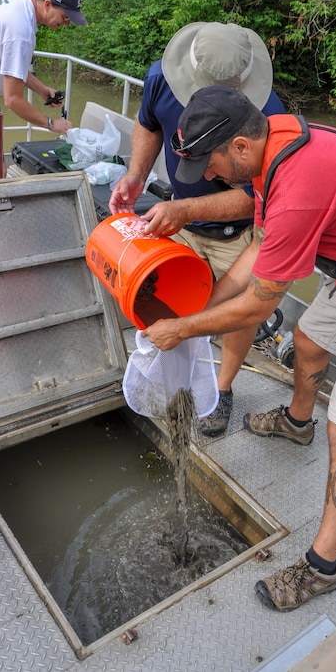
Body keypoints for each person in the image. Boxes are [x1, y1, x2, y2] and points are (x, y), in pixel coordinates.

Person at [142, 84, 336, 611]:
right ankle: (296, 422)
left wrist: (182, 331)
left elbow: (259, 306)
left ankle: (323, 567)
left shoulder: (300, 183)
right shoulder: (275, 142)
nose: (212, 175)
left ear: (240, 146)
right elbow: (258, 250)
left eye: (213, 163)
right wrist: (193, 312)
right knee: (308, 339)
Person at [109, 22, 285, 437]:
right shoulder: (161, 78)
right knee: (166, 294)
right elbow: (148, 123)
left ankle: (221, 390)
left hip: (236, 232)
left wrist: (187, 208)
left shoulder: (268, 114)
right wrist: (136, 174)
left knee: (239, 312)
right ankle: (175, 381)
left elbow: (257, 198)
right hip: (178, 217)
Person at [0, 0, 87, 181]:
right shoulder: (20, 30)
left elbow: (9, 65)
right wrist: (51, 124)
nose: (66, 24)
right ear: (48, 4)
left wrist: (40, 89)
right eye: (65, 17)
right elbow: (13, 100)